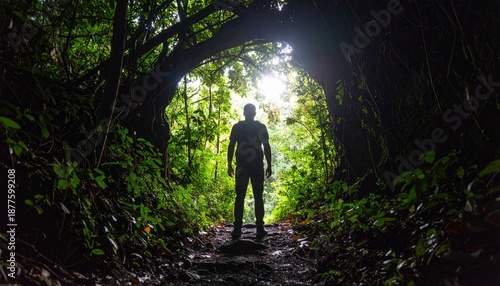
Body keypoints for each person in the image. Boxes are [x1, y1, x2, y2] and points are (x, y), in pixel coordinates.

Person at [227, 103, 272, 238]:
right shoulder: (260, 127)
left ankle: (238, 228)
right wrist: (269, 165)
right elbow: (266, 147)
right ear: (254, 113)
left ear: (244, 112)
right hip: (256, 165)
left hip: (243, 166)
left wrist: (229, 164)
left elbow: (231, 146)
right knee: (257, 196)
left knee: (240, 196)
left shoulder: (238, 127)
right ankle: (259, 227)